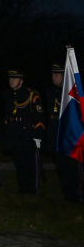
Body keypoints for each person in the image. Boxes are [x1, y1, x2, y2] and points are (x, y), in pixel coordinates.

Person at [45, 63, 84, 202]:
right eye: (52, 74)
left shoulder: (71, 92)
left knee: (71, 165)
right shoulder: (51, 92)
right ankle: (66, 193)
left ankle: (76, 194)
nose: (53, 77)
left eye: (57, 74)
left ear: (64, 76)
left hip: (68, 131)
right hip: (56, 130)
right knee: (60, 164)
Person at [2, 69, 45, 194]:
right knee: (19, 161)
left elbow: (39, 116)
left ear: (21, 81)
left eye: (14, 79)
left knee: (29, 162)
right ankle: (23, 187)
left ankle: (32, 189)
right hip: (14, 132)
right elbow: (7, 115)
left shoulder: (31, 94)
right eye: (10, 78)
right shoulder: (8, 94)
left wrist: (38, 135)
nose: (11, 81)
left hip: (27, 133)